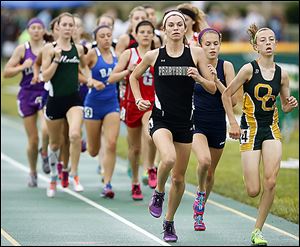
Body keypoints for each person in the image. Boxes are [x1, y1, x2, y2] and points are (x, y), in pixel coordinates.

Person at [129, 10, 216, 242]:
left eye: (180, 24)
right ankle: (158, 193)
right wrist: (138, 98)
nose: (176, 27)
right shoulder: (154, 55)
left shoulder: (196, 53)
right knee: (167, 158)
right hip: (160, 120)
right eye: (171, 24)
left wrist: (199, 77)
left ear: (184, 29)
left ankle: (169, 222)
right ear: (164, 30)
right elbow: (133, 77)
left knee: (178, 179)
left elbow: (212, 87)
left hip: (186, 123)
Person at [221, 24, 298, 246]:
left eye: (271, 39)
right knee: (253, 190)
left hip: (271, 128)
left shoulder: (282, 74)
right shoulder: (248, 70)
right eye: (262, 40)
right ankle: (251, 181)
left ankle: (258, 230)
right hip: (250, 129)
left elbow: (284, 106)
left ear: (276, 43)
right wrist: (233, 122)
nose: (268, 43)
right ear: (255, 46)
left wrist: (291, 103)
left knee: (271, 181)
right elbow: (226, 95)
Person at [191, 28, 240, 231]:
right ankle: (200, 193)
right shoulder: (192, 65)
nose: (212, 48)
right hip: (195, 122)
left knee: (211, 173)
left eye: (215, 44)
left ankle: (200, 211)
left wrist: (217, 81)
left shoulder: (226, 66)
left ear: (220, 44)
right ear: (200, 46)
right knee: (204, 161)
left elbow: (234, 100)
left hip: (218, 124)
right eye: (207, 44)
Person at [41, 12, 89, 197]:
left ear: (75, 29)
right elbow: (45, 76)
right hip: (54, 100)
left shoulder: (79, 49)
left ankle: (74, 174)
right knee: (55, 144)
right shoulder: (49, 49)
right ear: (58, 27)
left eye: (72, 25)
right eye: (65, 25)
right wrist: (56, 59)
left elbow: (84, 67)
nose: (68, 28)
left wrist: (89, 80)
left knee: (75, 135)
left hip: (73, 99)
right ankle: (53, 176)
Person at [108, 20, 157, 200]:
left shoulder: (156, 55)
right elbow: (112, 78)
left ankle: (150, 167)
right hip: (131, 103)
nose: (145, 34)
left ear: (153, 35)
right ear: (135, 35)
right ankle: (135, 182)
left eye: (148, 32)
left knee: (150, 133)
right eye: (142, 32)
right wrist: (127, 71)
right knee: (134, 148)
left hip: (150, 103)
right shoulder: (129, 54)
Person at [3, 17, 48, 186]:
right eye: (33, 28)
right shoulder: (22, 49)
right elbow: (6, 72)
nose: (36, 30)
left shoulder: (49, 48)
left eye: (39, 27)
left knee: (46, 130)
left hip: (45, 92)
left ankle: (45, 152)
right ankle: (33, 171)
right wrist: (23, 66)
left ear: (43, 31)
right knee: (33, 139)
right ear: (28, 31)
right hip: (27, 94)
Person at [84, 24, 120, 198]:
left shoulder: (116, 55)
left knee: (112, 143)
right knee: (93, 150)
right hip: (93, 104)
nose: (106, 39)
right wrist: (90, 81)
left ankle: (107, 184)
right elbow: (79, 71)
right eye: (102, 36)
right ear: (96, 39)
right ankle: (88, 143)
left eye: (108, 35)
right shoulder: (92, 54)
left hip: (112, 104)